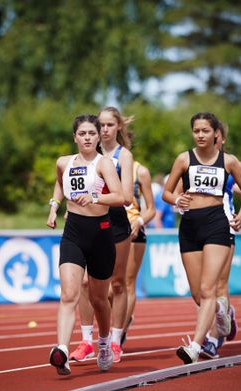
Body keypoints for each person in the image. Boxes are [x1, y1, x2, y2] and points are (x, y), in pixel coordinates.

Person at [162, 112, 241, 364]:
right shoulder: (184, 159)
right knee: (196, 293)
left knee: (207, 288)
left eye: (205, 130)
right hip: (189, 225)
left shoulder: (228, 161)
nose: (200, 135)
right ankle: (221, 314)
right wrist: (177, 199)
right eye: (196, 131)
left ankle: (195, 346)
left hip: (216, 223)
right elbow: (167, 193)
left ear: (216, 134)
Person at [46, 114, 124, 375]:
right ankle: (62, 351)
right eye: (83, 134)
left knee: (99, 298)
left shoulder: (104, 164)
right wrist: (54, 207)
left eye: (92, 133)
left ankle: (103, 344)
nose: (88, 137)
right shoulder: (63, 162)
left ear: (98, 137)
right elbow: (60, 184)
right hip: (73, 232)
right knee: (69, 294)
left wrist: (94, 197)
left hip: (100, 233)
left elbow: (120, 196)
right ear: (75, 137)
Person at [70, 106, 134, 364]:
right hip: (88, 223)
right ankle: (86, 340)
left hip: (116, 223)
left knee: (117, 284)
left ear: (118, 127)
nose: (104, 129)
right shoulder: (87, 155)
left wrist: (96, 197)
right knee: (85, 284)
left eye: (109, 125)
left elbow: (127, 197)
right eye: (101, 125)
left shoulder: (123, 156)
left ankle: (115, 341)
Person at [122, 160, 156, 344]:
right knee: (108, 288)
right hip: (106, 231)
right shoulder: (100, 164)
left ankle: (120, 332)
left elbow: (151, 210)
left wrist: (140, 221)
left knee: (127, 283)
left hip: (133, 232)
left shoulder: (140, 171)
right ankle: (123, 319)